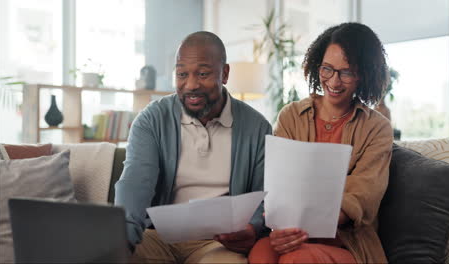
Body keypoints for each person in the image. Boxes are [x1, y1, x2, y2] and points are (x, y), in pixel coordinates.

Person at [115, 31, 272, 263]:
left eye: (203, 74)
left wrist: (252, 227)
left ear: (225, 73)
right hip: (158, 237)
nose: (191, 85)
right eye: (182, 74)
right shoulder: (152, 120)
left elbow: (264, 196)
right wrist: (122, 235)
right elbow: (136, 182)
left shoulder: (257, 127)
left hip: (216, 243)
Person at [249, 22, 393, 263]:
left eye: (346, 72)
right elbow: (280, 184)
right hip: (292, 230)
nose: (334, 82)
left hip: (348, 242)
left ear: (363, 74)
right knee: (261, 255)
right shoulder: (291, 116)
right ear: (317, 65)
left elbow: (361, 198)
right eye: (327, 69)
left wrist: (299, 223)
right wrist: (279, 226)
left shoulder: (377, 127)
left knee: (295, 259)